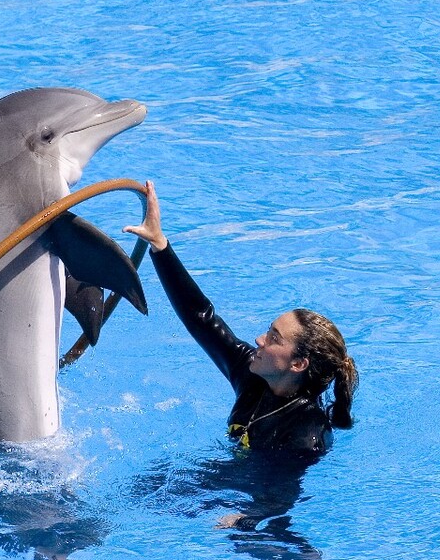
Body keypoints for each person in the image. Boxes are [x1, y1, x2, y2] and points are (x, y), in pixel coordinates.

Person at [124, 181, 358, 457]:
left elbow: (272, 499)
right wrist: (160, 245)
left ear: (298, 363)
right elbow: (202, 318)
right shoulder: (252, 373)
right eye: (268, 331)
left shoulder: (306, 437)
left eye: (274, 339)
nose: (259, 340)